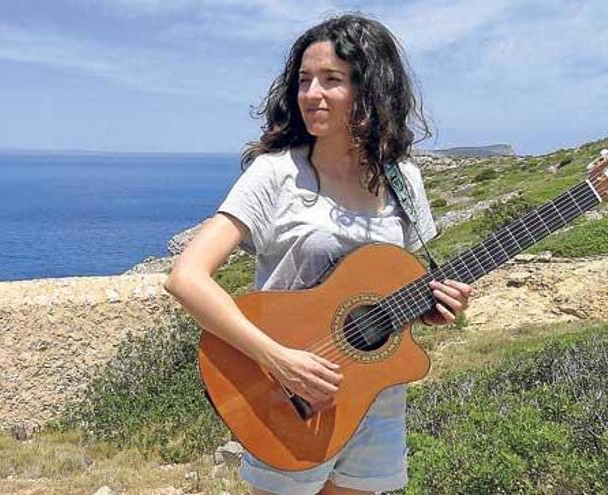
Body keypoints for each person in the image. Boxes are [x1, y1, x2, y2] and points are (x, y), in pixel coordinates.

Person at [164, 13, 472, 495]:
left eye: (332, 81)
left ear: (371, 89)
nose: (312, 94)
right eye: (305, 80)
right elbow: (186, 277)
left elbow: (389, 287)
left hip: (376, 403)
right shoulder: (275, 174)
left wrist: (428, 309)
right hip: (287, 400)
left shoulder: (403, 180)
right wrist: (280, 360)